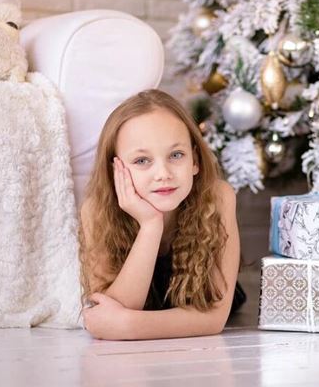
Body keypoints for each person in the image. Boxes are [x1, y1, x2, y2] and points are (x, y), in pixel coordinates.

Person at [79, 89, 240, 340]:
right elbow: (109, 313)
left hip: (198, 301)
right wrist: (151, 225)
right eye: (142, 161)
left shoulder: (217, 197)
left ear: (195, 161)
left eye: (176, 155)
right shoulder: (96, 211)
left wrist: (129, 325)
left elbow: (214, 317)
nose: (163, 173)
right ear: (115, 170)